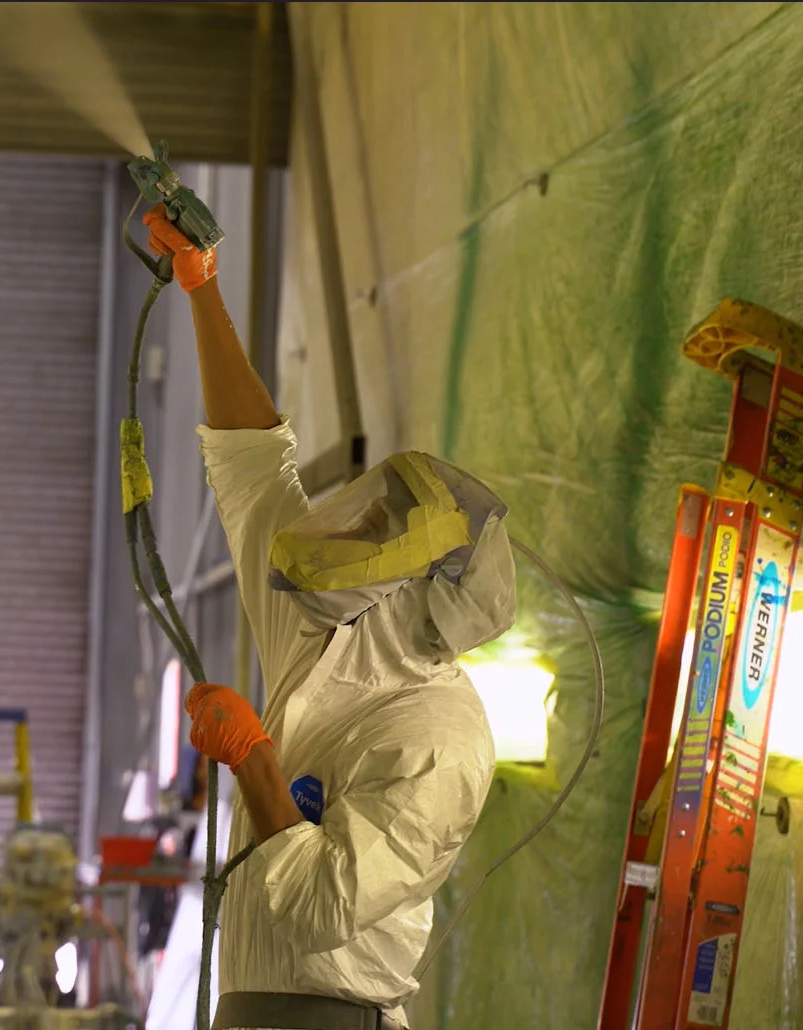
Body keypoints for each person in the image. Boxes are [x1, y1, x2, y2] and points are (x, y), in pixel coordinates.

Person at [145, 207, 517, 1030]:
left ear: (420, 582)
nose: (347, 529)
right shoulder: (324, 630)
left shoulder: (441, 740)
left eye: (375, 530)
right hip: (249, 1005)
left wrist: (254, 760)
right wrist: (202, 289)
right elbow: (250, 465)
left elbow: (318, 905)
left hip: (334, 1018)